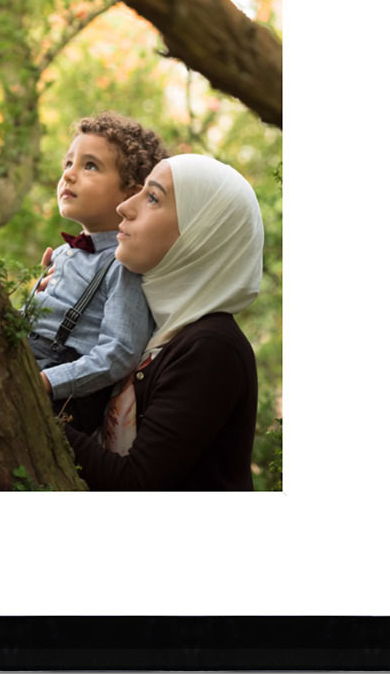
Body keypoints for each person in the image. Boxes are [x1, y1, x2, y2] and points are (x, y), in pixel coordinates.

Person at [65, 153, 264, 490]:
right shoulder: (151, 329)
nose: (125, 207)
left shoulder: (211, 348)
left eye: (153, 198)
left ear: (199, 236)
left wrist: (29, 411)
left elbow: (136, 482)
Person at [27, 114, 166, 433]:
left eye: (89, 166)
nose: (69, 176)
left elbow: (119, 352)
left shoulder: (123, 265)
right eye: (68, 163)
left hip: (60, 391)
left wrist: (49, 381)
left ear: (130, 194)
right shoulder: (63, 253)